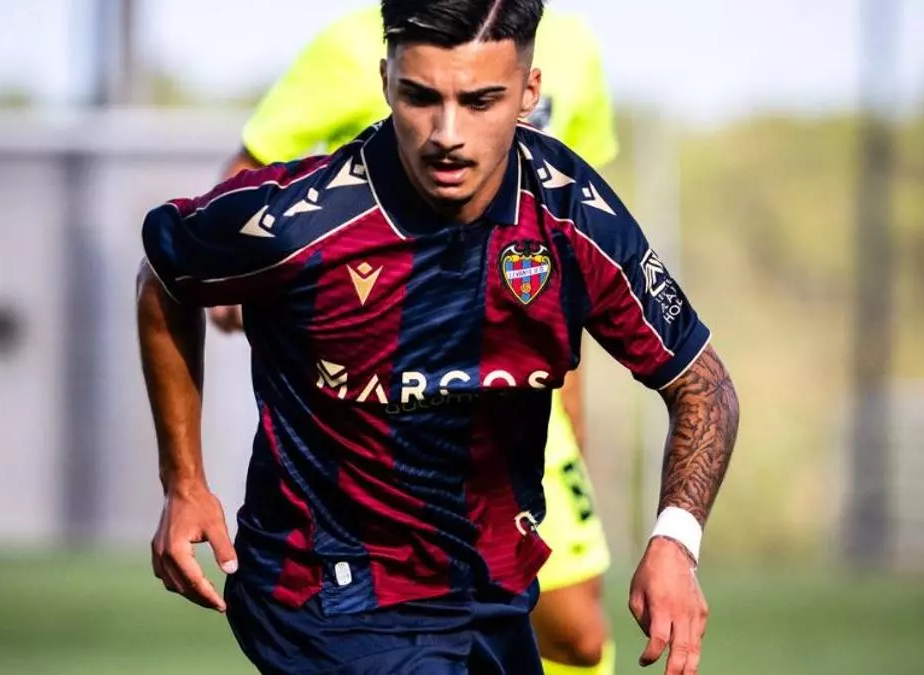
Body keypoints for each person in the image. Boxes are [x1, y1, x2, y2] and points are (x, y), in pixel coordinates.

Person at [137, 1, 740, 674]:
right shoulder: (300, 221)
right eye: (421, 97)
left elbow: (702, 384)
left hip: (490, 591)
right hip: (327, 596)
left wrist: (675, 540)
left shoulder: (572, 214)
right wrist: (183, 481)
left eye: (480, 101)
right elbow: (164, 276)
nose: (447, 134)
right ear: (386, 81)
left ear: (530, 94)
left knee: (579, 635)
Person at [205, 5, 621, 674]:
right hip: (389, 395)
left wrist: (572, 405)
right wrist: (240, 283)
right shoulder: (349, 44)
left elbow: (575, 240)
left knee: (578, 630)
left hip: (515, 391)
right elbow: (247, 172)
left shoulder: (572, 45)